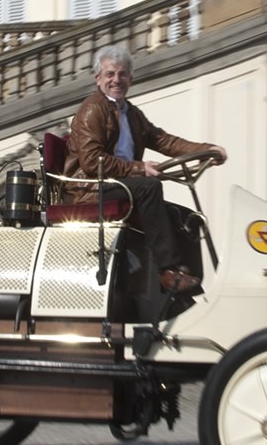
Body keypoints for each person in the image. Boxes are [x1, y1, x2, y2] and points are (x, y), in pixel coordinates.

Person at [67, 45, 226, 293]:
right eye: (110, 74)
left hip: (121, 184)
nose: (116, 80)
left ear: (130, 78)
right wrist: (139, 168)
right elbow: (91, 162)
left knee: (183, 217)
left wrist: (208, 149)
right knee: (150, 187)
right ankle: (167, 272)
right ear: (98, 79)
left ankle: (187, 286)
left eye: (122, 74)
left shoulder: (131, 113)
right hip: (93, 187)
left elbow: (164, 141)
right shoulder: (92, 109)